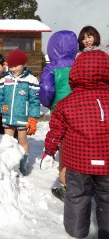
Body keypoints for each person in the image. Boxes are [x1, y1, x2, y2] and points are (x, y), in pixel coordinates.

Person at [42, 50, 109, 239]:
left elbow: (56, 131)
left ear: (76, 73)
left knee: (77, 196)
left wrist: (49, 151)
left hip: (79, 163)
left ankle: (76, 232)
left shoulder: (66, 103)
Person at [39, 30, 78, 201]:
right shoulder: (79, 64)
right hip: (81, 110)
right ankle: (82, 182)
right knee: (78, 146)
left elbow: (47, 89)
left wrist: (48, 103)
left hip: (60, 111)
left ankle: (66, 187)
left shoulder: (52, 67)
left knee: (64, 148)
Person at [0, 50, 40, 175]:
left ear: (24, 64)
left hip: (22, 117)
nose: (13, 69)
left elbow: (34, 101)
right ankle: (10, 164)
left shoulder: (31, 80)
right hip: (7, 116)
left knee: (22, 141)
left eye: (16, 66)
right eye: (11, 66)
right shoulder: (4, 79)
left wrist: (33, 119)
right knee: (8, 141)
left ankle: (22, 165)